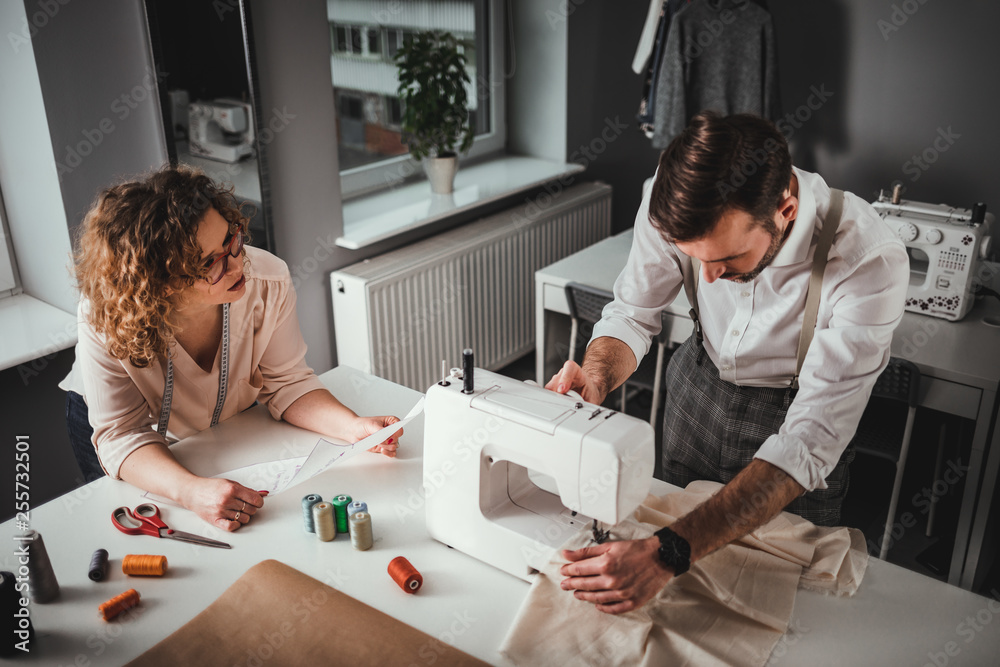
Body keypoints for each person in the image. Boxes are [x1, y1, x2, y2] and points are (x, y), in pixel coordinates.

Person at [546, 111, 909, 614]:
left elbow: (808, 440)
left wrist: (667, 554)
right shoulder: (667, 203)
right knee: (674, 582)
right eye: (695, 259)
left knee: (784, 597)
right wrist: (598, 373)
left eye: (728, 259)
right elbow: (633, 313)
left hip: (792, 418)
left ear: (785, 209)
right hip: (696, 393)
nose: (709, 278)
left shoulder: (868, 258)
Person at [60, 166, 402, 531]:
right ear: (159, 284)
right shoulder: (105, 317)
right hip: (122, 430)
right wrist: (190, 491)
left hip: (216, 426)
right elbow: (122, 434)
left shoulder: (267, 279)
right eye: (209, 262)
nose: (237, 262)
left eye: (231, 239)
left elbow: (287, 384)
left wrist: (353, 427)